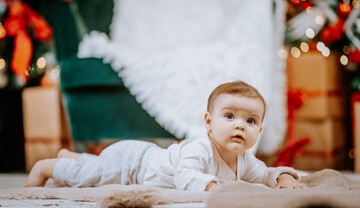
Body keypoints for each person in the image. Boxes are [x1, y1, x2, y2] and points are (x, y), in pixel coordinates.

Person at [25, 81, 307, 191]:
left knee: (91, 167)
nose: (240, 126)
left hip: (145, 158)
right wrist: (214, 188)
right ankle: (48, 165)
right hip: (133, 163)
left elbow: (265, 174)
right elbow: (186, 176)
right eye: (229, 116)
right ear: (208, 123)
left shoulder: (244, 160)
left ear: (259, 129)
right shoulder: (200, 148)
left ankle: (72, 157)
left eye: (251, 120)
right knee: (89, 177)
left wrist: (282, 178)